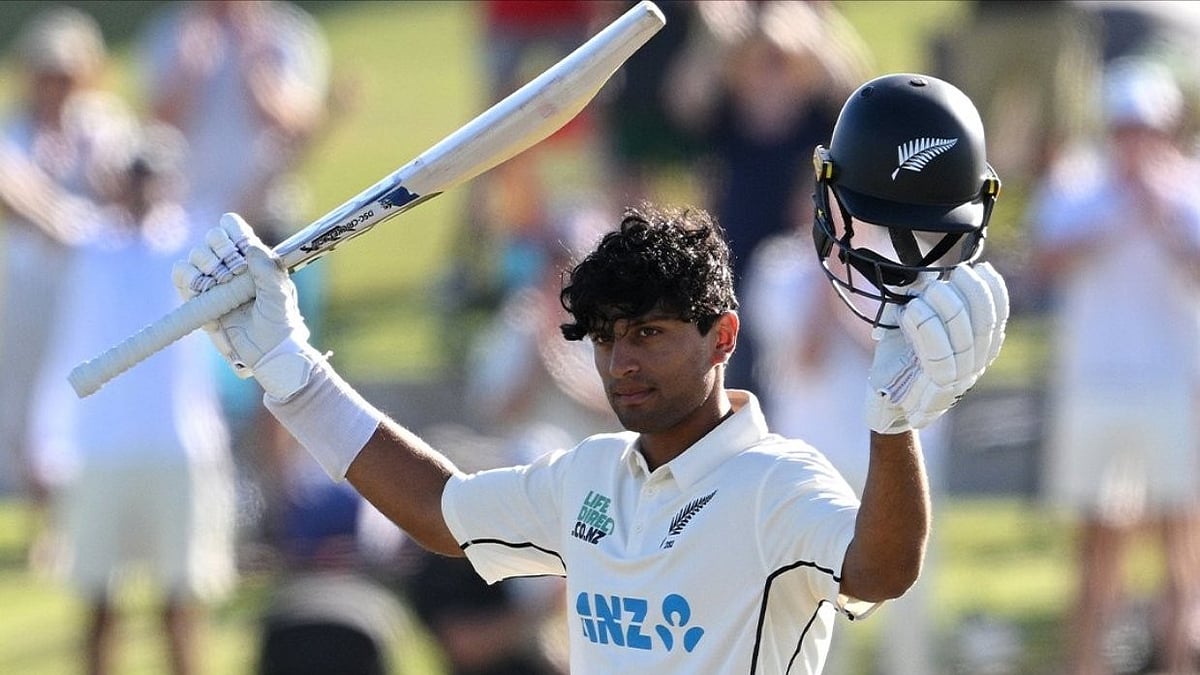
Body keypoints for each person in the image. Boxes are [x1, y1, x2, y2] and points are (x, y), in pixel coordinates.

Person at [171, 73, 1008, 673]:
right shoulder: (589, 479)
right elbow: (439, 512)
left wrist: (894, 423)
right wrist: (289, 369)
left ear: (723, 336)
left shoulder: (776, 483)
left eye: (648, 332)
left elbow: (880, 570)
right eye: (606, 338)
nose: (622, 362)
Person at [27, 124, 236, 675]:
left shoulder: (195, 242)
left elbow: (261, 191)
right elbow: (27, 201)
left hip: (179, 444)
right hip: (100, 447)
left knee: (181, 604)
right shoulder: (88, 240)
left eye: (152, 174)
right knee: (99, 603)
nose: (143, 185)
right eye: (135, 173)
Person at [1028, 57, 1200, 675]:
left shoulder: (1190, 190)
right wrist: (1115, 215)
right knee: (1096, 546)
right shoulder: (1078, 186)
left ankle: (1179, 662)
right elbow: (1043, 260)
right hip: (1094, 388)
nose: (1136, 141)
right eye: (1126, 127)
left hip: (1171, 389)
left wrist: (1160, 211)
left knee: (1181, 545)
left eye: (1146, 128)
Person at [0, 6, 135, 497]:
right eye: (46, 74)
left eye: (65, 74)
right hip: (32, 284)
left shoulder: (102, 125)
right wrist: (62, 222)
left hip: (91, 286)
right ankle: (39, 507)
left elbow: (124, 195)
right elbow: (12, 194)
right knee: (26, 396)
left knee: (80, 394)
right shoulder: (14, 131)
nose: (54, 85)